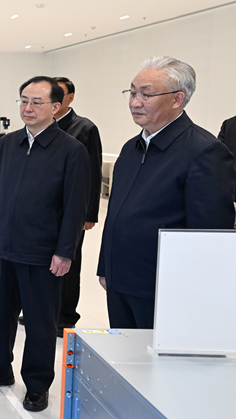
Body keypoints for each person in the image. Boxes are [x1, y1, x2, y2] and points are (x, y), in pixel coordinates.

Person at [0, 76, 90, 412]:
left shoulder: (71, 151)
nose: (28, 108)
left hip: (43, 253)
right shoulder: (8, 144)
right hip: (6, 248)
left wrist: (65, 251)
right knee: (2, 315)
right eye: (23, 100)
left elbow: (75, 207)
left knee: (40, 323)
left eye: (37, 102)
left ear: (56, 107)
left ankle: (37, 384)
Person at [98, 56, 236, 329]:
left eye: (146, 94)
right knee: (124, 352)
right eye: (132, 93)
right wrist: (106, 267)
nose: (135, 102)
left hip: (163, 289)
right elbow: (116, 214)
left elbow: (208, 236)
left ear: (177, 99)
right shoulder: (131, 148)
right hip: (119, 281)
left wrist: (192, 292)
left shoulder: (204, 151)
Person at [53, 77, 102, 335]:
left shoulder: (85, 128)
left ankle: (65, 316)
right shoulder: (41, 126)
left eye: (58, 94)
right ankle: (45, 310)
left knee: (68, 264)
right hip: (46, 211)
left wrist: (89, 213)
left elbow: (93, 171)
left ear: (70, 97)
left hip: (73, 210)